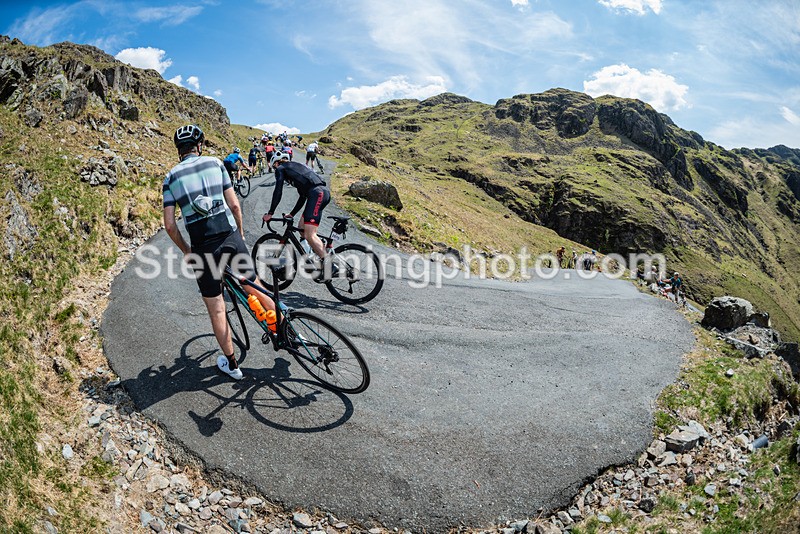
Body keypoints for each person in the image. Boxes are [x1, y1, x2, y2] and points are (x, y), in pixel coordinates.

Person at [163, 125, 275, 380]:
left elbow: (169, 225)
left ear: (178, 150)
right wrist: (241, 235)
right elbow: (234, 204)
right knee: (254, 285)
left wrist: (187, 251)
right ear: (199, 146)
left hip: (203, 248)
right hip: (229, 236)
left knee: (217, 309)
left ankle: (233, 365)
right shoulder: (215, 164)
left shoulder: (170, 178)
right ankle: (286, 329)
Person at [262, 152, 330, 263]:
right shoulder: (295, 170)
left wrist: (270, 213)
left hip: (317, 194)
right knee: (302, 229)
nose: (275, 169)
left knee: (310, 235)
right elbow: (302, 197)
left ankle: (329, 264)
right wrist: (292, 214)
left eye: (274, 166)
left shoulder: (281, 169)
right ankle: (314, 259)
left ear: (277, 163)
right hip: (321, 193)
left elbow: (278, 191)